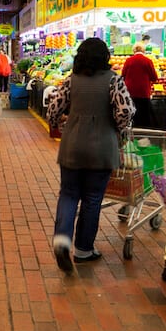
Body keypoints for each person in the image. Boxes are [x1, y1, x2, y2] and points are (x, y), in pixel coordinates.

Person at [46, 37, 135, 272]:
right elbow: (126, 111)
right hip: (101, 147)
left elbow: (54, 107)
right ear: (105, 57)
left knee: (68, 194)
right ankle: (84, 250)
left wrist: (58, 124)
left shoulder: (71, 81)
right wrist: (115, 126)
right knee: (92, 198)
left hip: (72, 144)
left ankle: (62, 241)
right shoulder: (114, 81)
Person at [121, 42, 158, 128]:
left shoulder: (128, 60)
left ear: (134, 50)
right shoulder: (148, 61)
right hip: (143, 92)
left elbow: (123, 75)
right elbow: (154, 77)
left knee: (131, 115)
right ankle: (143, 133)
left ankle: (131, 132)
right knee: (144, 115)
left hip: (129, 92)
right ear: (143, 50)